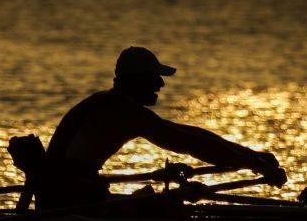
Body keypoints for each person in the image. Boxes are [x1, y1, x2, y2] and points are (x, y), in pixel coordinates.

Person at [36, 47, 285, 209]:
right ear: (136, 80)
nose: (161, 84)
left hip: (69, 195)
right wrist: (256, 165)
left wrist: (251, 156)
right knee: (168, 208)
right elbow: (189, 144)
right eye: (154, 77)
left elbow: (192, 134)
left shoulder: (112, 103)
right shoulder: (122, 112)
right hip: (68, 202)